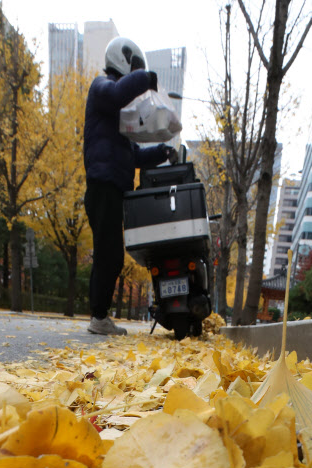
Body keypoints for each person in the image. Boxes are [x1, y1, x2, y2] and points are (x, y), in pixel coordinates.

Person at [83, 37, 176, 336]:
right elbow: (116, 92)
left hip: (111, 188)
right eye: (134, 67)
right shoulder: (102, 87)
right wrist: (146, 79)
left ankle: (99, 314)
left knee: (108, 253)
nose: (135, 74)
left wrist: (162, 152)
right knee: (109, 254)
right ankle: (98, 317)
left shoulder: (116, 116)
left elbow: (132, 155)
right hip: (103, 186)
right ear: (123, 60)